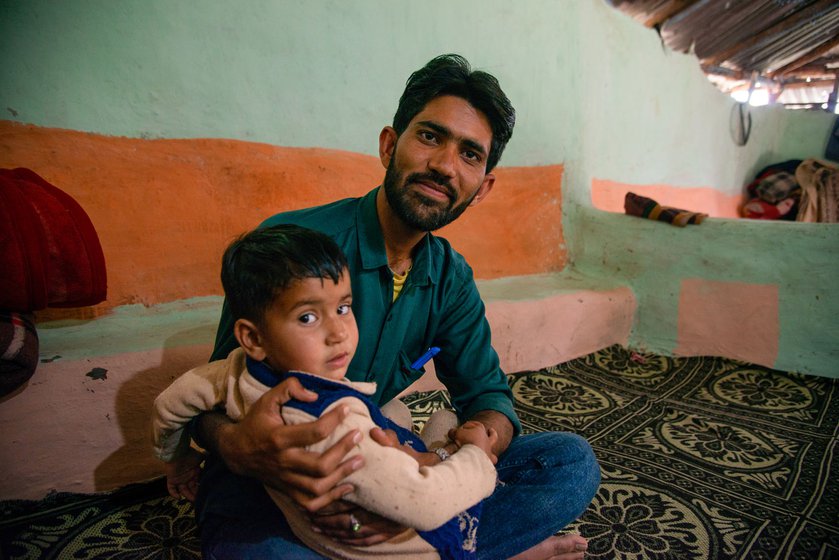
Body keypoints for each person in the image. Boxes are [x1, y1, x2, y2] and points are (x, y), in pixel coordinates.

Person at [192, 54, 600, 560]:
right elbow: (208, 400)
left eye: (471, 155)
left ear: (482, 188)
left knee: (569, 463)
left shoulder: (450, 278)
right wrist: (244, 450)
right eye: (430, 136)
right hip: (274, 490)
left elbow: (488, 396)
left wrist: (468, 445)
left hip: (386, 472)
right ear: (390, 145)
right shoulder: (291, 247)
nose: (445, 166)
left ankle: (421, 544)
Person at [153, 224, 499, 559]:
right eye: (307, 318)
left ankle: (439, 449)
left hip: (380, 469)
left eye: (343, 308)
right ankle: (448, 458)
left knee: (401, 414)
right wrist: (476, 457)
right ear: (254, 338)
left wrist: (178, 460)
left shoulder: (233, 371)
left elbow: (169, 404)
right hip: (416, 541)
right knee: (462, 444)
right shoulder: (332, 423)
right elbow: (425, 503)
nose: (338, 332)